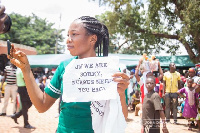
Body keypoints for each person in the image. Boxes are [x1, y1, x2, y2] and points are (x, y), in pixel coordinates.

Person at [8, 16, 129, 133]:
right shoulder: (65, 67)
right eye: (68, 35)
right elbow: (42, 105)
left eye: (74, 34)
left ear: (92, 39)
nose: (68, 39)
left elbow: (122, 118)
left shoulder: (111, 71)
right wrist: (26, 69)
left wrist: (121, 95)